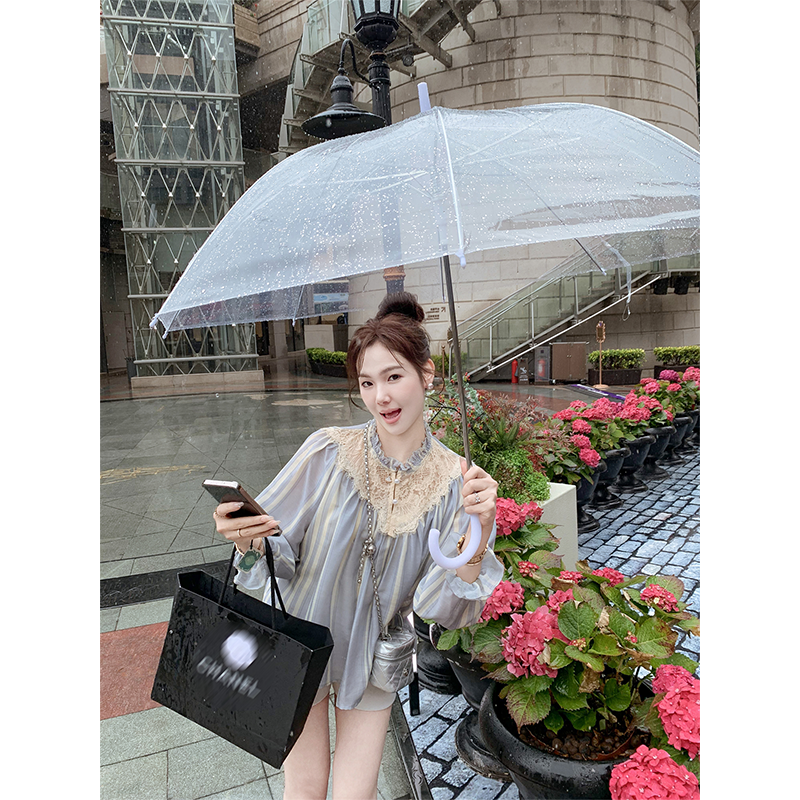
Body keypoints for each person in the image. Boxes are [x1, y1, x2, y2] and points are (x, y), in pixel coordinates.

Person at [213, 292, 502, 800]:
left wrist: (478, 534)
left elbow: (441, 608)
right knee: (305, 788)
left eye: (393, 377)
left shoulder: (458, 484)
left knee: (355, 794)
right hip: (298, 640)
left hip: (373, 655)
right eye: (368, 383)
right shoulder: (329, 451)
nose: (380, 397)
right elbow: (278, 548)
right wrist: (248, 537)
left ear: (428, 374)